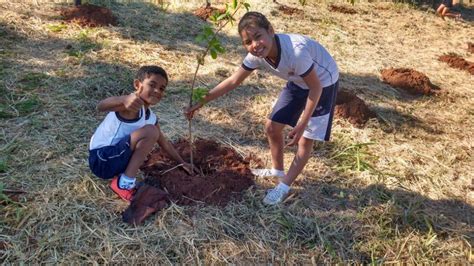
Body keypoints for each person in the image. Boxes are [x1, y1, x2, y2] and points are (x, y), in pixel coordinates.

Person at [185, 12, 339, 205]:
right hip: (298, 80)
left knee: (305, 140)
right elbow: (233, 80)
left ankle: (284, 186)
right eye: (248, 41)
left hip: (323, 82)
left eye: (258, 36)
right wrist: (202, 101)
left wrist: (303, 122)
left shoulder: (296, 53)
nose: (255, 45)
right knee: (272, 127)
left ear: (271, 31)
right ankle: (277, 170)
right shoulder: (256, 56)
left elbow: (315, 87)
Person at [89, 65, 194, 202]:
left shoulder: (151, 117)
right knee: (150, 131)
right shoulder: (131, 105)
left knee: (152, 132)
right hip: (101, 160)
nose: (157, 91)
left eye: (162, 88)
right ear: (138, 84)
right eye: (152, 85)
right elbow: (101, 106)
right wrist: (123, 99)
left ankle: (123, 177)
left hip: (115, 160)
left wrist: (182, 163)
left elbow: (164, 143)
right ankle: (124, 184)